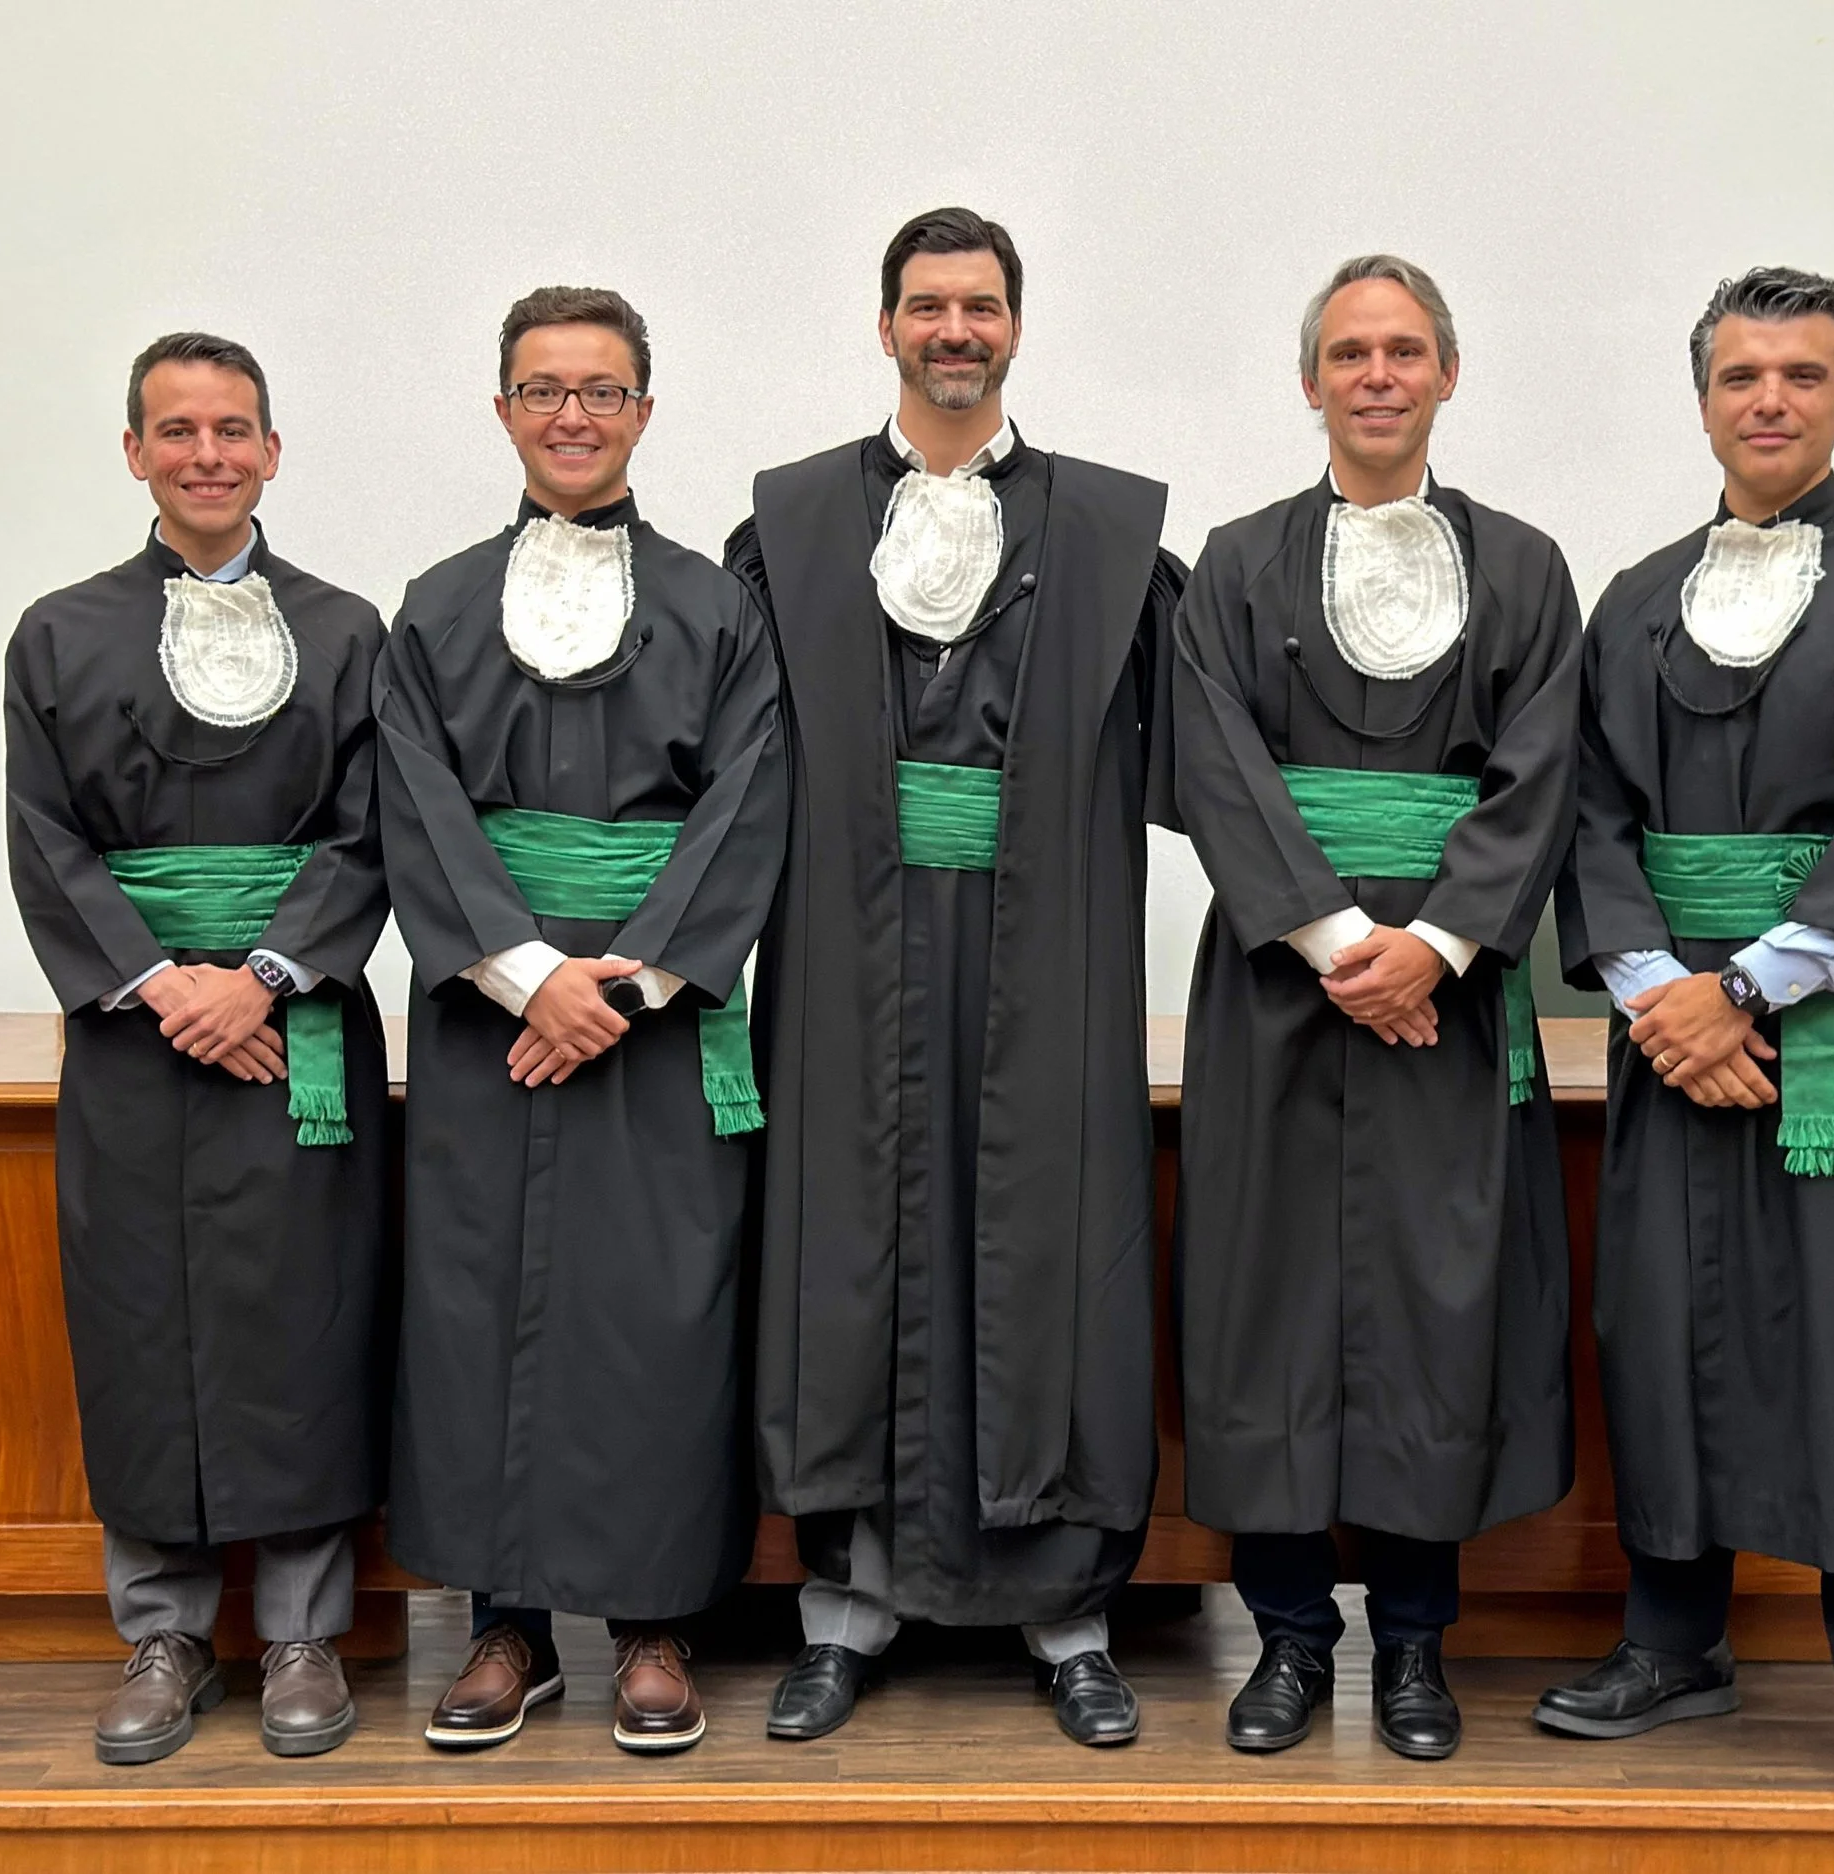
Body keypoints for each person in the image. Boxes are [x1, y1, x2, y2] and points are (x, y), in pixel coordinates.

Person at [1538, 267, 1834, 1814]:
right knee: (1661, 1326)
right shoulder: (1634, 600)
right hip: (1670, 1029)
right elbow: (1590, 812)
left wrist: (1740, 993)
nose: (1772, 399)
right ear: (1705, 400)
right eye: (1743, 375)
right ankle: (1673, 1642)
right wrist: (1661, 992)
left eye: (1803, 374)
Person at [728, 207, 1184, 1747]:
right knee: (847, 1250)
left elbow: (1217, 751)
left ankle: (1072, 1620)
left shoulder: (1111, 536)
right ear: (886, 327)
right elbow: (718, 765)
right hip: (843, 951)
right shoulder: (790, 527)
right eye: (927, 304)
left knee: (1048, 1248)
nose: (954, 330)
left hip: (1047, 951)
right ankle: (843, 1611)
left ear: (1015, 326)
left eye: (980, 305)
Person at [1170, 256, 1579, 1759]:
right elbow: (1213, 764)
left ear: (1448, 374)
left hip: (1452, 1001)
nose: (1378, 375)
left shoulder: (1527, 568)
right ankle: (1286, 1639)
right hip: (1278, 984)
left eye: (1405, 350)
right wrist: (1348, 942)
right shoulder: (1233, 566)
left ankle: (1414, 1643)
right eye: (1350, 352)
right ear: (1311, 382)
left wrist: (1440, 946)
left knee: (1434, 1307)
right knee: (1264, 1304)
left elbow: (1545, 771)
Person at [377, 287, 787, 1755]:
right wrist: (522, 970)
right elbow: (414, 802)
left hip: (656, 1023)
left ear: (643, 413)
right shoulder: (432, 607)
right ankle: (508, 1625)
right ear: (503, 410)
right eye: (544, 389)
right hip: (492, 1022)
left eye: (602, 390)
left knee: (659, 1313)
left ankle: (657, 1622)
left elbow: (750, 797)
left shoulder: (720, 609)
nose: (572, 415)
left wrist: (621, 983)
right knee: (480, 1307)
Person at [4, 332, 389, 1765]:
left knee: (304, 1314)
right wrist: (169, 988)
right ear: (134, 452)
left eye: (233, 429)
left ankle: (303, 1630)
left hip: (297, 1026)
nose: (207, 454)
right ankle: (162, 1632)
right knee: (138, 1316)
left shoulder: (350, 631)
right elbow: (44, 839)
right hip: (134, 1032)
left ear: (273, 452)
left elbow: (375, 829)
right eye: (178, 430)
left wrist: (264, 978)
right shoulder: (56, 634)